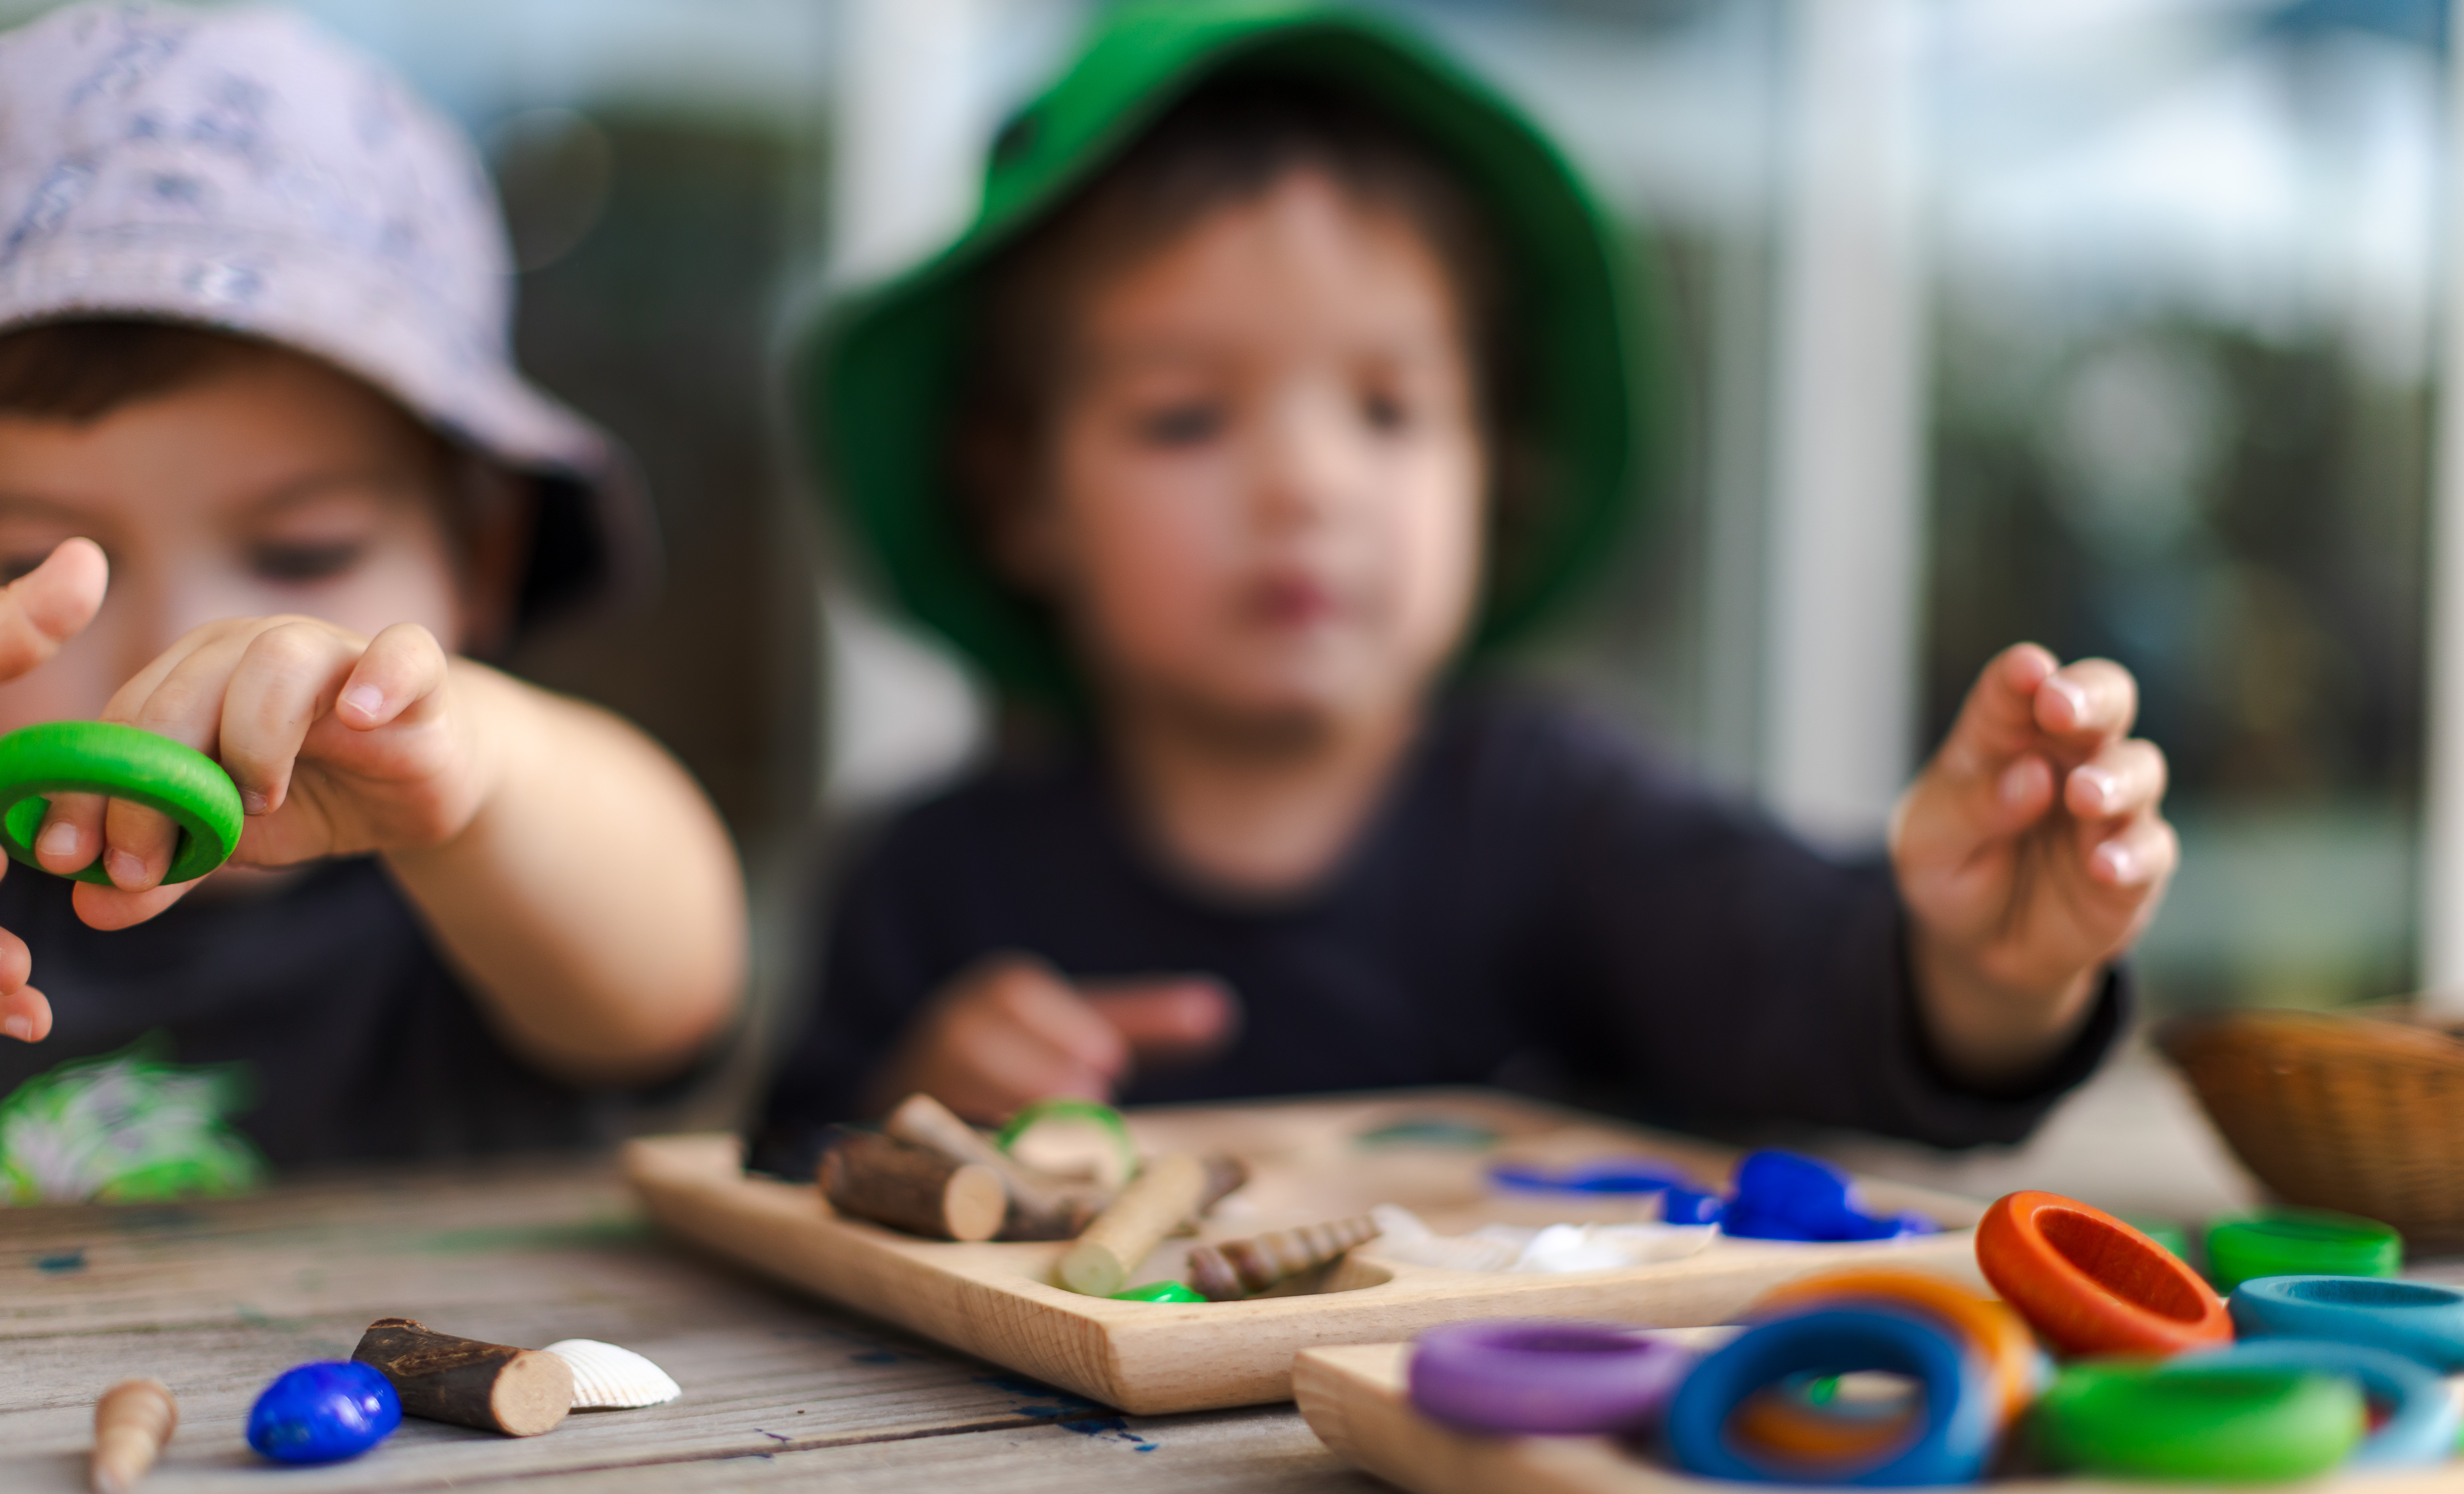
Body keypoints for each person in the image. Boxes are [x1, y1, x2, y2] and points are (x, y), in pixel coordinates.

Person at [747, 4, 2174, 1176]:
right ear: (1020, 499)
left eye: (1387, 409)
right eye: (1184, 415)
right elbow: (777, 1182)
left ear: (1491, 471)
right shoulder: (930, 885)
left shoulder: (1561, 824)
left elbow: (1820, 991)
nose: (1303, 487)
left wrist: (1989, 970)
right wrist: (909, 1127)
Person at [0, 2, 745, 1165]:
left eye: (306, 554)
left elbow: (683, 974)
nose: (178, 651)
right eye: (28, 565)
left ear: (480, 557)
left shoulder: (481, 878)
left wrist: (471, 774)